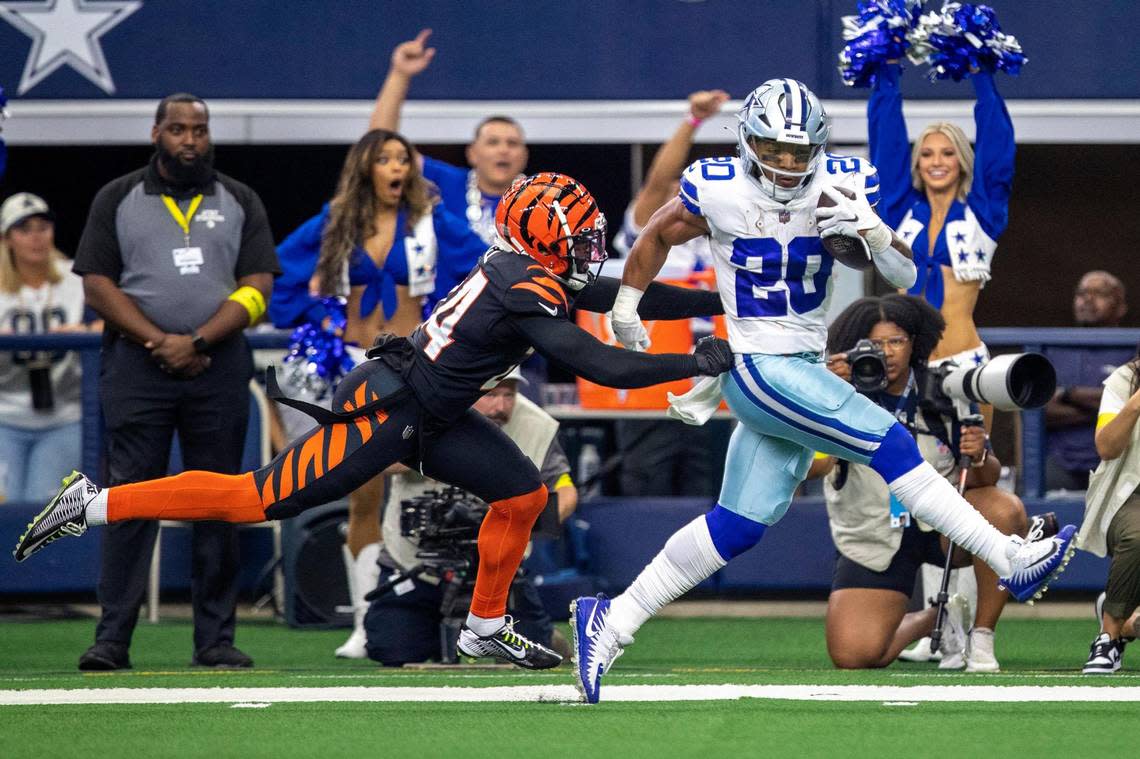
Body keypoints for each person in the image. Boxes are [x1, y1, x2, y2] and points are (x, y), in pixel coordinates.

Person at [14, 172, 734, 673]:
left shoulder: (527, 268)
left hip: (432, 410)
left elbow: (616, 290)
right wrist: (692, 363)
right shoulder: (524, 283)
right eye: (575, 235)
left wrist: (712, 303)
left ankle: (484, 628)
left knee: (523, 494)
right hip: (388, 409)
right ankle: (95, 500)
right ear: (543, 238)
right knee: (251, 497)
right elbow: (595, 363)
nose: (587, 247)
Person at [571, 78, 1075, 704]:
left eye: (797, 151)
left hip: (803, 361)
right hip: (759, 363)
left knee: (738, 525)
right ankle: (1006, 557)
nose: (787, 163)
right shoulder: (718, 185)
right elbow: (654, 233)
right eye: (774, 150)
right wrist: (626, 302)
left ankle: (611, 622)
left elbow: (904, 274)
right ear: (749, 142)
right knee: (890, 443)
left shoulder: (842, 182)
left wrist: (875, 232)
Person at [64, 93, 279, 671]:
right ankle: (112, 639)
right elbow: (96, 285)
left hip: (218, 365)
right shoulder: (118, 197)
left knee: (221, 499)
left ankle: (215, 640)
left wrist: (200, 340)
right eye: (179, 129)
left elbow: (258, 282)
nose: (190, 140)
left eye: (200, 131)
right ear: (156, 132)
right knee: (129, 497)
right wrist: (160, 341)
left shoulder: (239, 198)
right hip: (138, 367)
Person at [268, 128, 485, 658]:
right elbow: (280, 276)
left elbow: (486, 271)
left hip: (414, 366)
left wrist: (449, 322)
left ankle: (423, 614)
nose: (396, 168)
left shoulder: (435, 221)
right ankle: (368, 622)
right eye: (385, 159)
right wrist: (321, 310)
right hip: (351, 368)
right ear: (365, 167)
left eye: (402, 159)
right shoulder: (335, 221)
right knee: (362, 492)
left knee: (421, 489)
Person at [812, 294, 1027, 672]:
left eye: (896, 341)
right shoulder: (838, 393)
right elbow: (813, 468)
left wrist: (978, 455)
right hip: (873, 534)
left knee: (1004, 510)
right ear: (854, 349)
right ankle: (936, 620)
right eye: (875, 344)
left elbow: (984, 478)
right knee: (856, 656)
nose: (887, 352)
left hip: (942, 525)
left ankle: (981, 637)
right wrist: (819, 393)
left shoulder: (942, 389)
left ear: (915, 342)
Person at [365, 367, 577, 665]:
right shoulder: (428, 407)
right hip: (416, 563)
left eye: (509, 395)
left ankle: (534, 633)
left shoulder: (536, 424)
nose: (500, 406)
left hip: (496, 568)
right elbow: (375, 459)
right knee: (391, 650)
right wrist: (424, 447)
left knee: (537, 648)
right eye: (491, 395)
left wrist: (522, 525)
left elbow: (565, 489)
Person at [609, 89, 729, 498]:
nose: (684, 197)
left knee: (712, 495)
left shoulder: (728, 240)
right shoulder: (646, 228)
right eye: (679, 189)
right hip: (651, 391)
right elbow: (659, 179)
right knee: (646, 495)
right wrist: (692, 122)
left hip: (717, 392)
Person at [867, 60, 1014, 370]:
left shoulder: (982, 216)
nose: (937, 161)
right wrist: (888, 71)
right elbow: (887, 146)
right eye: (927, 153)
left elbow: (996, 156)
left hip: (966, 363)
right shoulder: (902, 214)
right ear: (917, 162)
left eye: (948, 153)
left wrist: (981, 76)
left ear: (961, 159)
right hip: (911, 366)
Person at [370, 29, 527, 246]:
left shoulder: (541, 199)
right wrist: (400, 74)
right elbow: (380, 145)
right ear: (472, 153)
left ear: (525, 155)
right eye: (493, 142)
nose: (504, 150)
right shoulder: (444, 184)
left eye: (512, 143)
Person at [0, 193, 93, 501]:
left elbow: (119, 321)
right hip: (5, 418)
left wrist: (87, 330)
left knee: (42, 510)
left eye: (43, 227)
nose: (36, 237)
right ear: (7, 238)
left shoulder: (76, 279)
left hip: (64, 418)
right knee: (7, 505)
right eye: (25, 229)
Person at [1076, 341, 1140, 674]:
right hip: (1132, 496)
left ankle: (1127, 621)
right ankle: (1109, 637)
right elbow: (1106, 446)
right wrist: (1135, 404)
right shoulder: (1124, 380)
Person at [1045, 270, 1132, 491]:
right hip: (1061, 463)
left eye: (1099, 293)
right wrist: (1110, 407)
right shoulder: (1053, 348)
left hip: (1118, 465)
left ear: (1121, 306)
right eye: (1082, 293)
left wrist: (1068, 395)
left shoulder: (1132, 348)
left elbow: (1133, 407)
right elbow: (1041, 410)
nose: (1088, 299)